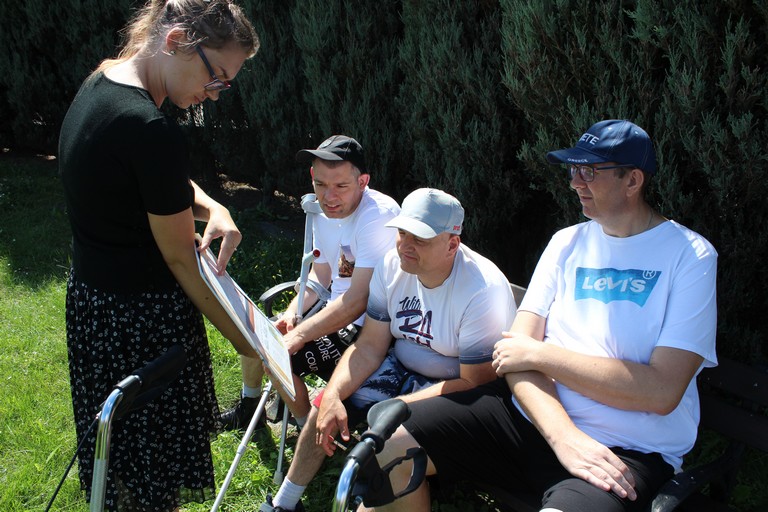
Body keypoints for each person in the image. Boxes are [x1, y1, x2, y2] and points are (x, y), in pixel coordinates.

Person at [368, 120, 718, 512]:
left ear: (632, 180)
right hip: (530, 419)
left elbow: (661, 392)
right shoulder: (566, 243)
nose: (575, 183)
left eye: (589, 172)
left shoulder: (690, 256)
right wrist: (563, 436)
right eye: (573, 171)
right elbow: (512, 357)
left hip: (623, 452)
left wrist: (541, 355)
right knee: (389, 443)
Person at [58, 1, 260, 510]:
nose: (214, 95)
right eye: (217, 78)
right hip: (141, 327)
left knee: (121, 460)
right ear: (175, 42)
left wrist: (211, 206)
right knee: (151, 475)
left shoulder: (102, 83)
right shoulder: (150, 128)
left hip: (95, 310)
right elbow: (181, 260)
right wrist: (249, 342)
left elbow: (147, 177)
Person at [261, 188, 518, 512]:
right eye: (402, 233)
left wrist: (393, 408)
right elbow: (370, 345)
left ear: (452, 244)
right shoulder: (391, 266)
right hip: (399, 363)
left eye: (419, 239)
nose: (404, 246)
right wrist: (334, 395)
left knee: (389, 438)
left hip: (456, 388)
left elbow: (475, 383)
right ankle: (284, 503)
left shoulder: (481, 290)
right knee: (324, 404)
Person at [219, 135, 400, 432]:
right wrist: (293, 314)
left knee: (279, 358)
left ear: (363, 181)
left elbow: (358, 300)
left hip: (369, 327)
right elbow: (320, 275)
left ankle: (311, 432)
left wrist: (300, 335)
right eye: (320, 184)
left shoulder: (377, 216)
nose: (329, 196)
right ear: (312, 176)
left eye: (341, 186)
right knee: (257, 334)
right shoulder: (324, 211)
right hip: (336, 314)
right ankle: (251, 406)